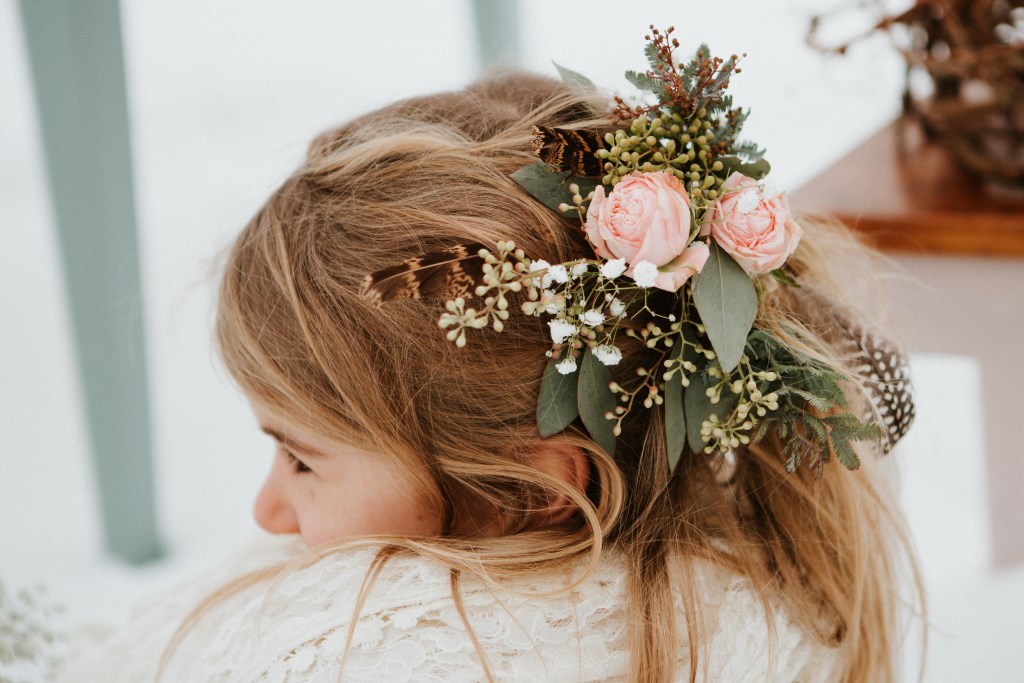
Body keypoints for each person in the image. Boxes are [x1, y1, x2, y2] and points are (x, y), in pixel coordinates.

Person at [59, 33, 922, 683]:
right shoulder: (767, 597)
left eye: (300, 457)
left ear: (527, 491)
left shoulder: (375, 653)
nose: (269, 512)